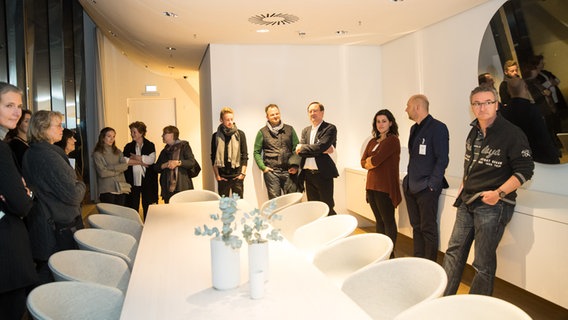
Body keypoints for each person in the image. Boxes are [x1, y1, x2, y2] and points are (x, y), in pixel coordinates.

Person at [443, 86, 534, 296]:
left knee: (482, 262)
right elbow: (471, 163)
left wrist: (498, 194)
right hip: (468, 201)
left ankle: (477, 308)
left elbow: (525, 170)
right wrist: (464, 185)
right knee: (453, 253)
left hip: (493, 205)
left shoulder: (512, 133)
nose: (482, 107)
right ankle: (443, 300)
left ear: (497, 104)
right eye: (477, 103)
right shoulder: (474, 131)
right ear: (472, 106)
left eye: (487, 102)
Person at [22, 110, 86, 284]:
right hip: (60, 227)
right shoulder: (48, 156)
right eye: (57, 125)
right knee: (60, 274)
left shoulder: (35, 152)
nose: (62, 129)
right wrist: (81, 183)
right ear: (43, 129)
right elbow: (73, 195)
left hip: (51, 222)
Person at [0, 83, 37, 320]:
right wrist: (27, 193)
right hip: (6, 254)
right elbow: (22, 204)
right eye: (9, 105)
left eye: (20, 106)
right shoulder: (2, 149)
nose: (17, 112)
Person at [403, 94, 449, 262]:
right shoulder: (414, 129)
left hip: (426, 188)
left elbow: (442, 159)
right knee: (416, 227)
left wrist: (432, 184)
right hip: (411, 186)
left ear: (417, 107)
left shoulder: (438, 128)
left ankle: (430, 266)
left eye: (408, 106)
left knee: (428, 228)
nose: (406, 109)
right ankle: (418, 261)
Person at [361, 109, 401, 255]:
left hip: (385, 187)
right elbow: (362, 162)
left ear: (390, 123)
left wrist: (370, 161)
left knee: (388, 220)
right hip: (371, 186)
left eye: (384, 121)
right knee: (379, 220)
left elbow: (376, 160)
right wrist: (371, 161)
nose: (381, 124)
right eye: (378, 121)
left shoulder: (392, 140)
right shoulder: (372, 141)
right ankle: (381, 252)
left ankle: (390, 253)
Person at [501, 77, 559, 164]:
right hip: (540, 154)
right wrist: (553, 155)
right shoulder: (531, 109)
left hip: (520, 156)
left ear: (508, 91)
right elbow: (542, 135)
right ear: (525, 87)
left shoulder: (505, 111)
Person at [296, 101, 339, 216]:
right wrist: (318, 150)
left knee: (327, 206)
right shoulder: (306, 130)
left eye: (315, 110)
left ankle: (333, 232)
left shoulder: (329, 128)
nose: (312, 113)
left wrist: (304, 148)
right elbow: (301, 153)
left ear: (322, 112)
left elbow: (321, 146)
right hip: (308, 175)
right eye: (310, 111)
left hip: (323, 174)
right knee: (313, 208)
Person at [253, 104, 300, 199]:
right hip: (272, 173)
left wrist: (295, 166)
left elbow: (297, 149)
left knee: (292, 200)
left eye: (277, 113)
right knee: (275, 203)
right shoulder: (262, 132)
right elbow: (256, 152)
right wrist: (263, 167)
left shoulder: (290, 129)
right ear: (267, 117)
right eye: (272, 115)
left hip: (289, 171)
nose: (275, 116)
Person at [211, 107, 248, 198]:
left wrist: (242, 174)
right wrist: (217, 176)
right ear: (221, 120)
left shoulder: (240, 134)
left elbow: (245, 155)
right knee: (224, 206)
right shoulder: (216, 136)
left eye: (231, 119)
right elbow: (213, 157)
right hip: (223, 177)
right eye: (227, 120)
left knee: (239, 205)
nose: (230, 122)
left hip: (237, 176)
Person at [156, 125, 200, 203]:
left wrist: (177, 163)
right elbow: (156, 168)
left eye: (164, 134)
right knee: (170, 212)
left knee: (184, 211)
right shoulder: (164, 151)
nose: (162, 136)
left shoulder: (184, 146)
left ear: (171, 135)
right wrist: (165, 165)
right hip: (167, 188)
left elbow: (191, 162)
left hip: (182, 186)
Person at [124, 121, 158, 217]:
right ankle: (134, 225)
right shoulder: (128, 146)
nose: (132, 134)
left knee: (148, 204)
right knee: (133, 204)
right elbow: (125, 160)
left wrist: (136, 157)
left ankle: (148, 225)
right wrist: (142, 162)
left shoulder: (150, 145)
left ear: (141, 133)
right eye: (131, 132)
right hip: (132, 180)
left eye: (134, 132)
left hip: (147, 181)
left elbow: (151, 160)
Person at [92, 127, 130, 206]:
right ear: (102, 137)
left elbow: (125, 166)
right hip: (107, 189)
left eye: (113, 136)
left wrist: (109, 168)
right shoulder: (97, 154)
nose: (111, 139)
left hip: (121, 188)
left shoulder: (118, 151)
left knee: (120, 215)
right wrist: (118, 171)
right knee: (109, 217)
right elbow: (102, 173)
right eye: (109, 136)